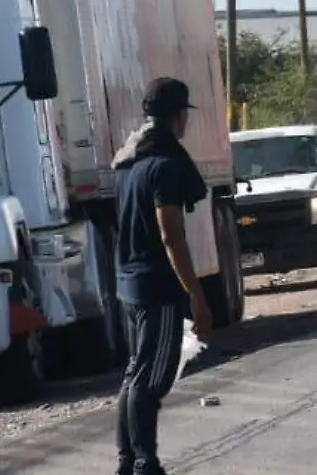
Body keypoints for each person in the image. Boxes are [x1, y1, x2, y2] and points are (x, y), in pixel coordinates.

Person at [113, 77, 214, 475]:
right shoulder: (165, 167)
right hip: (156, 287)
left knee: (135, 374)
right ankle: (144, 464)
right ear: (178, 117)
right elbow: (171, 236)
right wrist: (196, 295)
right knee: (150, 381)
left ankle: (127, 461)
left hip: (129, 283)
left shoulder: (130, 163)